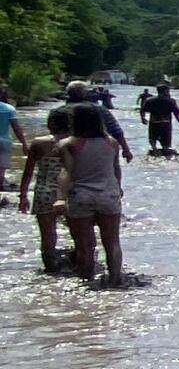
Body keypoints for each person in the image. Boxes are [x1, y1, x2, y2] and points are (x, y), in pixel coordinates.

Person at [60, 102, 124, 285]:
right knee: (112, 242)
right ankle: (115, 279)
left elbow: (66, 172)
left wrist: (60, 198)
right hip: (108, 194)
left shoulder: (68, 144)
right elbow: (116, 169)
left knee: (84, 245)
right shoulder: (112, 142)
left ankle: (87, 281)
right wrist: (118, 189)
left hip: (81, 195)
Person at [18, 106, 71, 273]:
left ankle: (51, 269)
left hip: (43, 192)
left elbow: (27, 172)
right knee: (79, 233)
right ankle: (81, 266)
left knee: (47, 235)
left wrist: (23, 196)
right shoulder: (75, 142)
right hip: (70, 193)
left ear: (50, 124)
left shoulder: (39, 143)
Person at [65, 80, 132, 163]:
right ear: (85, 93)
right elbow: (115, 130)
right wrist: (126, 149)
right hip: (96, 149)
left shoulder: (59, 111)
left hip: (66, 149)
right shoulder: (97, 109)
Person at [145, 81, 179, 155]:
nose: (169, 92)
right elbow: (176, 113)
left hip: (154, 123)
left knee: (153, 140)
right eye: (168, 91)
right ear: (165, 91)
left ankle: (155, 151)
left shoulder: (150, 100)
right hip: (165, 123)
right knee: (166, 144)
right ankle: (165, 153)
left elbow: (142, 110)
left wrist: (143, 118)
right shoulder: (171, 101)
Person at [0, 89, 20, 181]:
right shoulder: (9, 109)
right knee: (1, 169)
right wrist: (23, 143)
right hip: (5, 141)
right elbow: (16, 128)